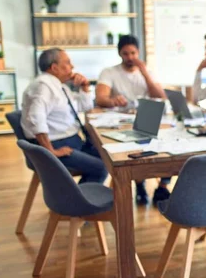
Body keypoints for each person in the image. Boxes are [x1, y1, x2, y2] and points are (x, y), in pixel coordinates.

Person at [95, 35, 169, 205]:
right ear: (120, 54)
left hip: (148, 117)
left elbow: (160, 96)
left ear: (139, 52)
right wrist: (113, 101)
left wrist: (144, 72)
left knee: (166, 145)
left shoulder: (147, 72)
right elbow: (100, 98)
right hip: (121, 120)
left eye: (133, 53)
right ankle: (139, 184)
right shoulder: (109, 72)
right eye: (125, 54)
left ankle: (163, 187)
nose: (130, 58)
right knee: (134, 152)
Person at [21, 48, 107, 184]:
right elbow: (35, 117)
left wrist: (85, 87)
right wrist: (50, 151)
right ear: (54, 67)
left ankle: (81, 200)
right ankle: (81, 202)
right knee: (102, 168)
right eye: (67, 62)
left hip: (71, 141)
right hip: (56, 144)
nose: (72, 66)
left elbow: (83, 106)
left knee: (108, 158)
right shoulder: (43, 86)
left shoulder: (59, 86)